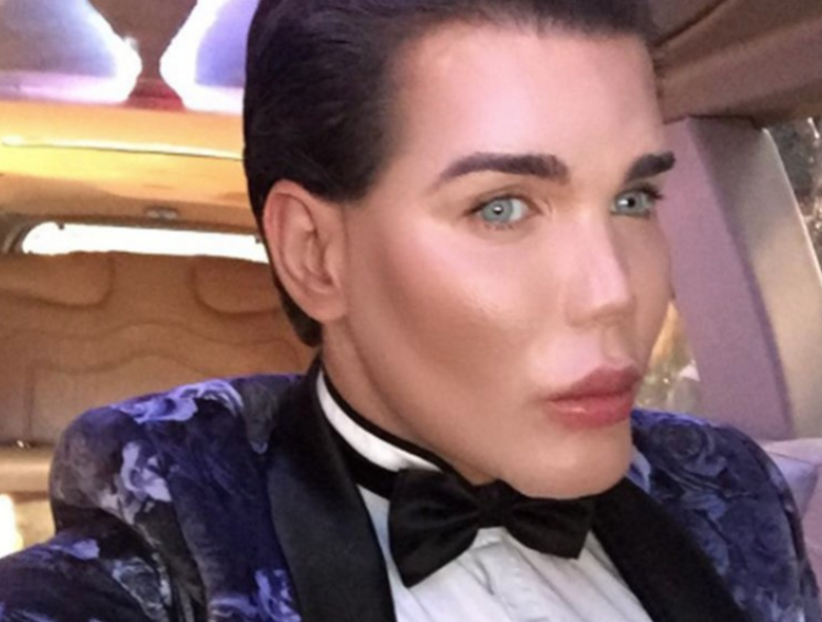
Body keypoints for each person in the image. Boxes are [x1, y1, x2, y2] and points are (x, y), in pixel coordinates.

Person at [0, 0, 819, 621]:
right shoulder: (168, 528)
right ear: (316, 255)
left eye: (633, 199)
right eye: (501, 208)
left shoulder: (729, 489)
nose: (616, 293)